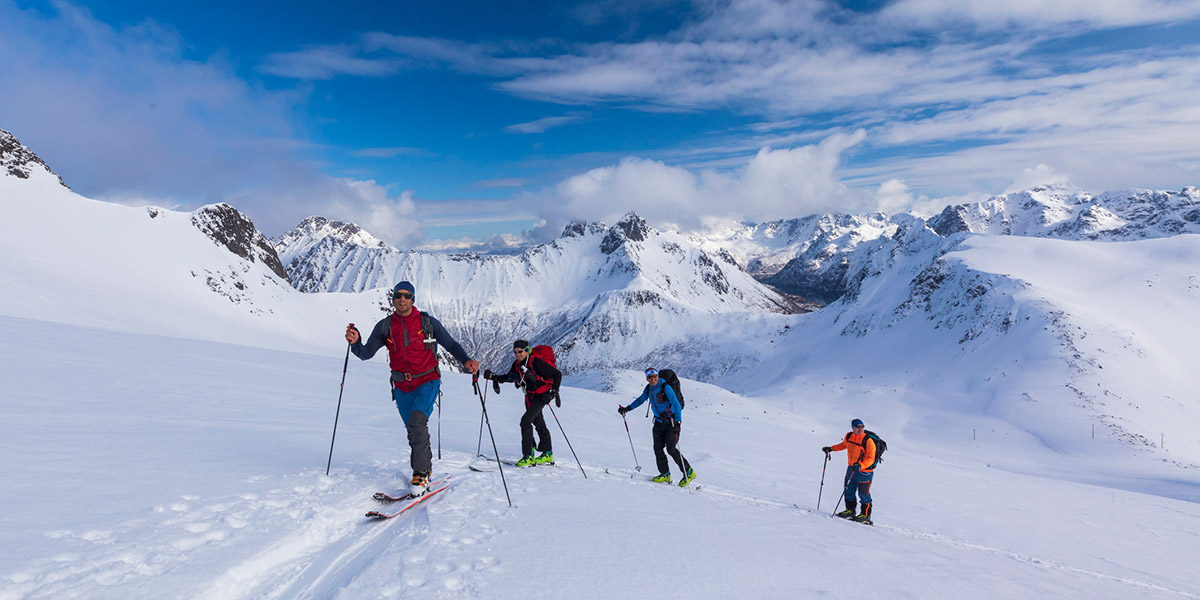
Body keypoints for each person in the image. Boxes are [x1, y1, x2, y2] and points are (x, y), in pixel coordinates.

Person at [345, 281, 479, 495]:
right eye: (399, 295)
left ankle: (421, 473)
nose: (402, 299)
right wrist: (355, 342)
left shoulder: (427, 322)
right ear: (394, 299)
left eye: (407, 296)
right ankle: (425, 467)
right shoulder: (385, 326)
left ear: (413, 299)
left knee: (417, 421)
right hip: (401, 386)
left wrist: (466, 360)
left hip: (427, 380)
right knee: (413, 428)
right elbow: (365, 353)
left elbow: (451, 344)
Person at [483, 341, 562, 467]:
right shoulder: (517, 364)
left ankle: (528, 456)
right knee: (538, 422)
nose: (517, 354)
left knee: (525, 421)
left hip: (541, 396)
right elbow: (510, 377)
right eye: (515, 352)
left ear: (527, 350)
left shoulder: (535, 362)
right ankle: (547, 453)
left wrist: (552, 393)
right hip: (529, 395)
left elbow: (557, 374)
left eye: (520, 351)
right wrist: (494, 377)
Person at [618, 368, 696, 487]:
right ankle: (665, 474)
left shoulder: (665, 387)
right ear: (647, 379)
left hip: (671, 422)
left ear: (657, 376)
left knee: (671, 449)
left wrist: (678, 421)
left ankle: (689, 472)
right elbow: (641, 399)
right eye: (650, 377)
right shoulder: (649, 388)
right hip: (659, 422)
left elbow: (676, 404)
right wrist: (627, 408)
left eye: (654, 376)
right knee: (658, 448)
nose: (653, 379)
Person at [823, 418, 877, 524]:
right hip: (851, 468)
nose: (860, 429)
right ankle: (850, 511)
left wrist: (861, 466)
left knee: (863, 493)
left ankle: (865, 516)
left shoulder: (868, 440)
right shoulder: (849, 436)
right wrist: (831, 448)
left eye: (862, 427)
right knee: (848, 490)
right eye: (857, 427)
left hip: (864, 471)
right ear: (853, 428)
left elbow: (871, 458)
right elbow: (843, 445)